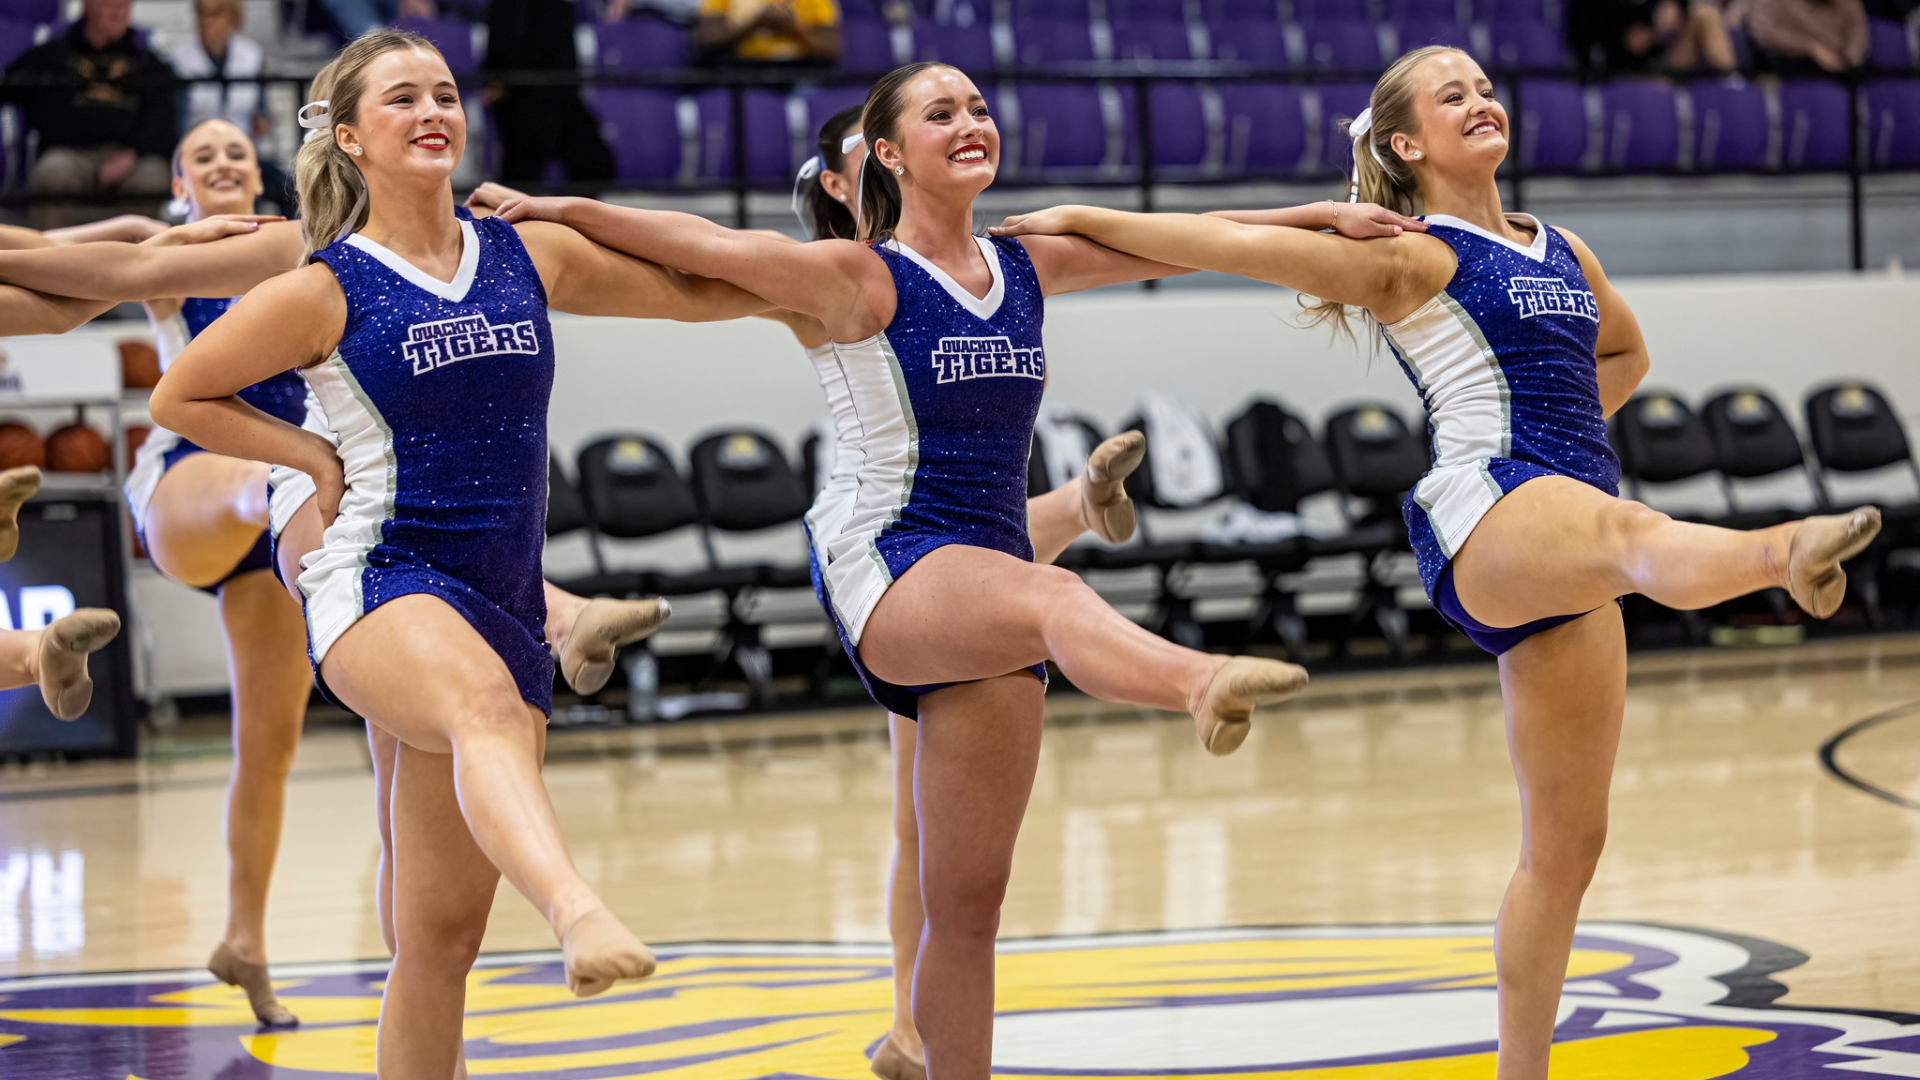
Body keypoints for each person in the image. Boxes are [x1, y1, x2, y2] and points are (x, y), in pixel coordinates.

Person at [495, 59, 1424, 1076]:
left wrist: (1326, 220)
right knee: (1054, 589)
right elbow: (701, 248)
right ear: (888, 153)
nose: (971, 123)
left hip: (978, 582)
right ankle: (1197, 680)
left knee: (968, 908)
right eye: (941, 114)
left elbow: (1193, 245)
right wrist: (559, 206)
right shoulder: (857, 276)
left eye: (979, 108)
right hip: (886, 562)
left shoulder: (1025, 263)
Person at [990, 45, 1883, 1079]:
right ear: (1406, 143)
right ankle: (1783, 553)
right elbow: (1221, 243)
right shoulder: (1410, 255)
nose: (1483, 101)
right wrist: (1076, 217)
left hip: (1560, 523)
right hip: (1487, 513)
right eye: (1452, 94)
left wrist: (1560, 432)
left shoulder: (1562, 248)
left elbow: (1627, 353)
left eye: (1488, 87)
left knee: (1567, 847)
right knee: (1632, 540)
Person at [148, 28, 775, 1077]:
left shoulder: (525, 254)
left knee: (436, 943)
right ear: (349, 137)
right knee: (484, 711)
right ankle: (577, 910)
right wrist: (303, 450)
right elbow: (182, 394)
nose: (435, 110)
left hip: (498, 593)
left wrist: (814, 296)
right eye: (403, 98)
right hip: (377, 576)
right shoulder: (325, 286)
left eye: (444, 92)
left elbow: (689, 289)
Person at [785, 103, 1147, 1079]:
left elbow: (1144, 247)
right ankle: (1074, 508)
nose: (952, 139)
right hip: (877, 543)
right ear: (844, 177)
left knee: (941, 830)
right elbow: (693, 263)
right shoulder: (846, 272)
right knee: (919, 820)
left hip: (963, 538)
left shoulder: (984, 265)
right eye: (880, 148)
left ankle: (1069, 506)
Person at [4, 0, 179, 228]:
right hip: (70, 152)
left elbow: (163, 119)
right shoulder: (53, 53)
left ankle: (131, 258)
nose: (119, 13)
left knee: (153, 178)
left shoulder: (146, 61)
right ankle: (52, 258)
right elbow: (11, 86)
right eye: (110, 6)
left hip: (130, 156)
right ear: (88, 7)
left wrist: (133, 153)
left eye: (124, 8)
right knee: (52, 172)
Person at [483, 0, 616, 185]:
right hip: (524, 91)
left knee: (595, 164)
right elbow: (507, 29)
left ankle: (564, 211)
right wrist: (497, 77)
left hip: (561, 88)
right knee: (522, 172)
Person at [1567, 0, 1738, 75]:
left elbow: (1680, 6)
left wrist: (1674, 8)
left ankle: (1734, 85)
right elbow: (1588, 45)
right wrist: (1629, 42)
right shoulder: (1595, 6)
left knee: (1707, 14)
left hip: (1666, 58)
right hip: (1627, 71)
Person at [695, 0, 842, 65]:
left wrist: (793, 29)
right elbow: (707, 37)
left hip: (800, 74)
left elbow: (831, 47)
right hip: (741, 73)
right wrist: (754, 23)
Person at [1741, 0, 1870, 72]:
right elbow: (1765, 31)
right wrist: (1811, 48)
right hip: (1793, 68)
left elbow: (1857, 27)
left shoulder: (1846, 4)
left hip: (1842, 68)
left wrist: (1850, 59)